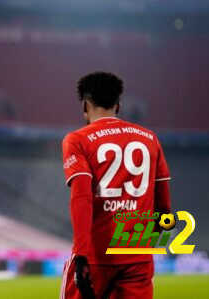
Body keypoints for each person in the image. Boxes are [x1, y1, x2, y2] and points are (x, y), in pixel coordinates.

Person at [60, 72, 171, 299]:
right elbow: (164, 210)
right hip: (137, 259)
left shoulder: (77, 140)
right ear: (118, 105)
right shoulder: (149, 139)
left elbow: (81, 197)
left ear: (85, 105)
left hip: (96, 258)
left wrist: (81, 254)